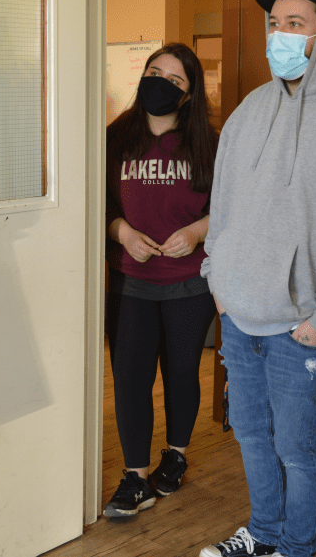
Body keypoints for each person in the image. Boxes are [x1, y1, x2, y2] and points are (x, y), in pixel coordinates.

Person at [199, 0, 316, 557]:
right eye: (273, 23)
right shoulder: (248, 110)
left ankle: (294, 548)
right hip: (239, 314)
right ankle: (264, 534)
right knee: (253, 437)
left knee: (298, 447)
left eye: (296, 24)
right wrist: (218, 277)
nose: (280, 36)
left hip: (302, 326)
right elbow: (224, 204)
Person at [103, 43, 219, 518]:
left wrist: (195, 232)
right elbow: (98, 206)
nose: (162, 83)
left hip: (189, 282)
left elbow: (230, 208)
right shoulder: (115, 138)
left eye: (175, 80)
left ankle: (175, 455)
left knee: (180, 372)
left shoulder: (208, 144)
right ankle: (134, 478)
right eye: (155, 72)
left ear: (189, 95)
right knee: (130, 378)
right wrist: (122, 232)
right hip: (129, 281)